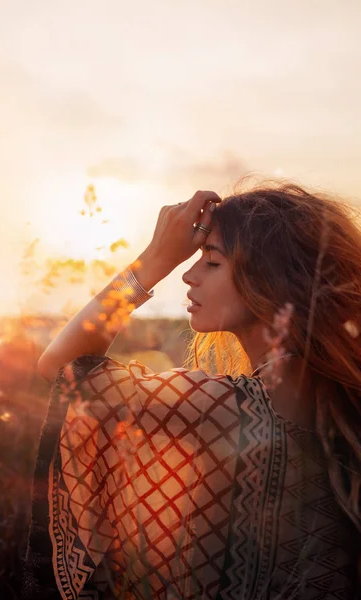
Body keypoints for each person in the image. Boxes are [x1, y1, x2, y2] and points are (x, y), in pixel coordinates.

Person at [22, 181, 361, 600]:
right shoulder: (337, 397)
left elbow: (62, 368)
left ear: (272, 280)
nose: (188, 274)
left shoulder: (231, 408)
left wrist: (152, 263)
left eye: (212, 262)